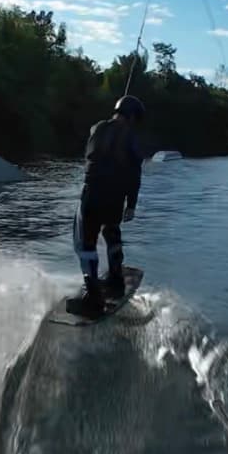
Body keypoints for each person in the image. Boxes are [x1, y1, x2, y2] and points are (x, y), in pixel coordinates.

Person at [70, 94, 146, 316]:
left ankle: (92, 293)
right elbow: (135, 174)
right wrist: (131, 205)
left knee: (85, 243)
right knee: (112, 234)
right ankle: (115, 281)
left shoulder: (97, 128)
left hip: (91, 195)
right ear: (132, 117)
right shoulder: (131, 137)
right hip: (114, 198)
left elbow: (91, 152)